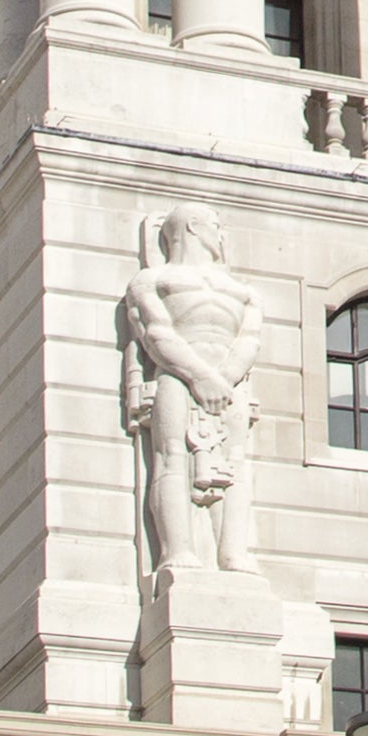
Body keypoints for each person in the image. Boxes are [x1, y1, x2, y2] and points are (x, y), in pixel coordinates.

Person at [119, 208, 259, 577]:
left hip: (230, 381)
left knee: (236, 464)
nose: (221, 235)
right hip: (178, 377)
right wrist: (200, 377)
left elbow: (249, 338)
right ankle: (177, 550)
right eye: (216, 225)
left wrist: (223, 379)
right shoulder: (152, 280)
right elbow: (155, 333)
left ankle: (232, 554)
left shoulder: (243, 291)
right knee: (171, 458)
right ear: (194, 226)